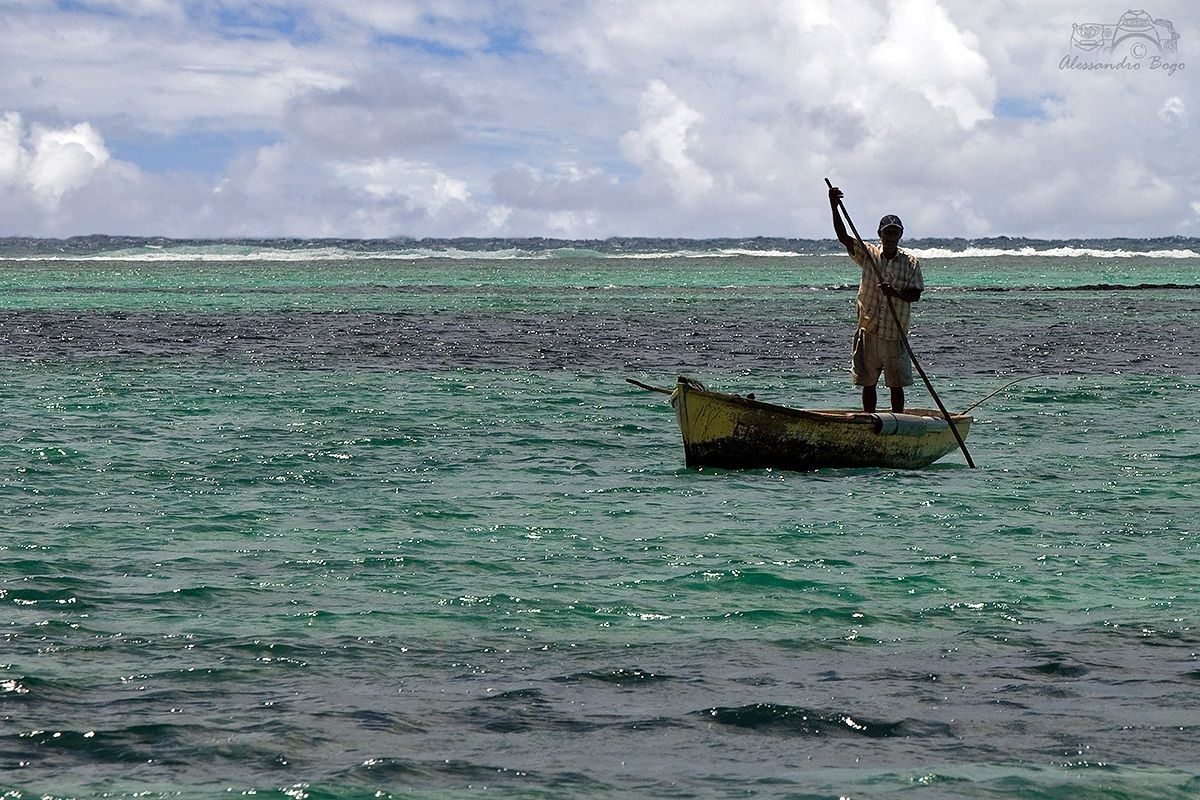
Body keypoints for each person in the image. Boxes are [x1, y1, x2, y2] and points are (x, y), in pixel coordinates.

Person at [828, 185, 924, 413]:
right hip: (869, 328)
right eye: (886, 232)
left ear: (900, 235)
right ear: (879, 234)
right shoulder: (869, 254)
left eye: (894, 233)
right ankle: (869, 421)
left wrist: (895, 292)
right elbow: (843, 236)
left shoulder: (910, 262)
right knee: (867, 383)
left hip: (894, 332)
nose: (890, 237)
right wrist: (833, 205)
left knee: (896, 385)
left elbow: (915, 294)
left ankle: (898, 423)